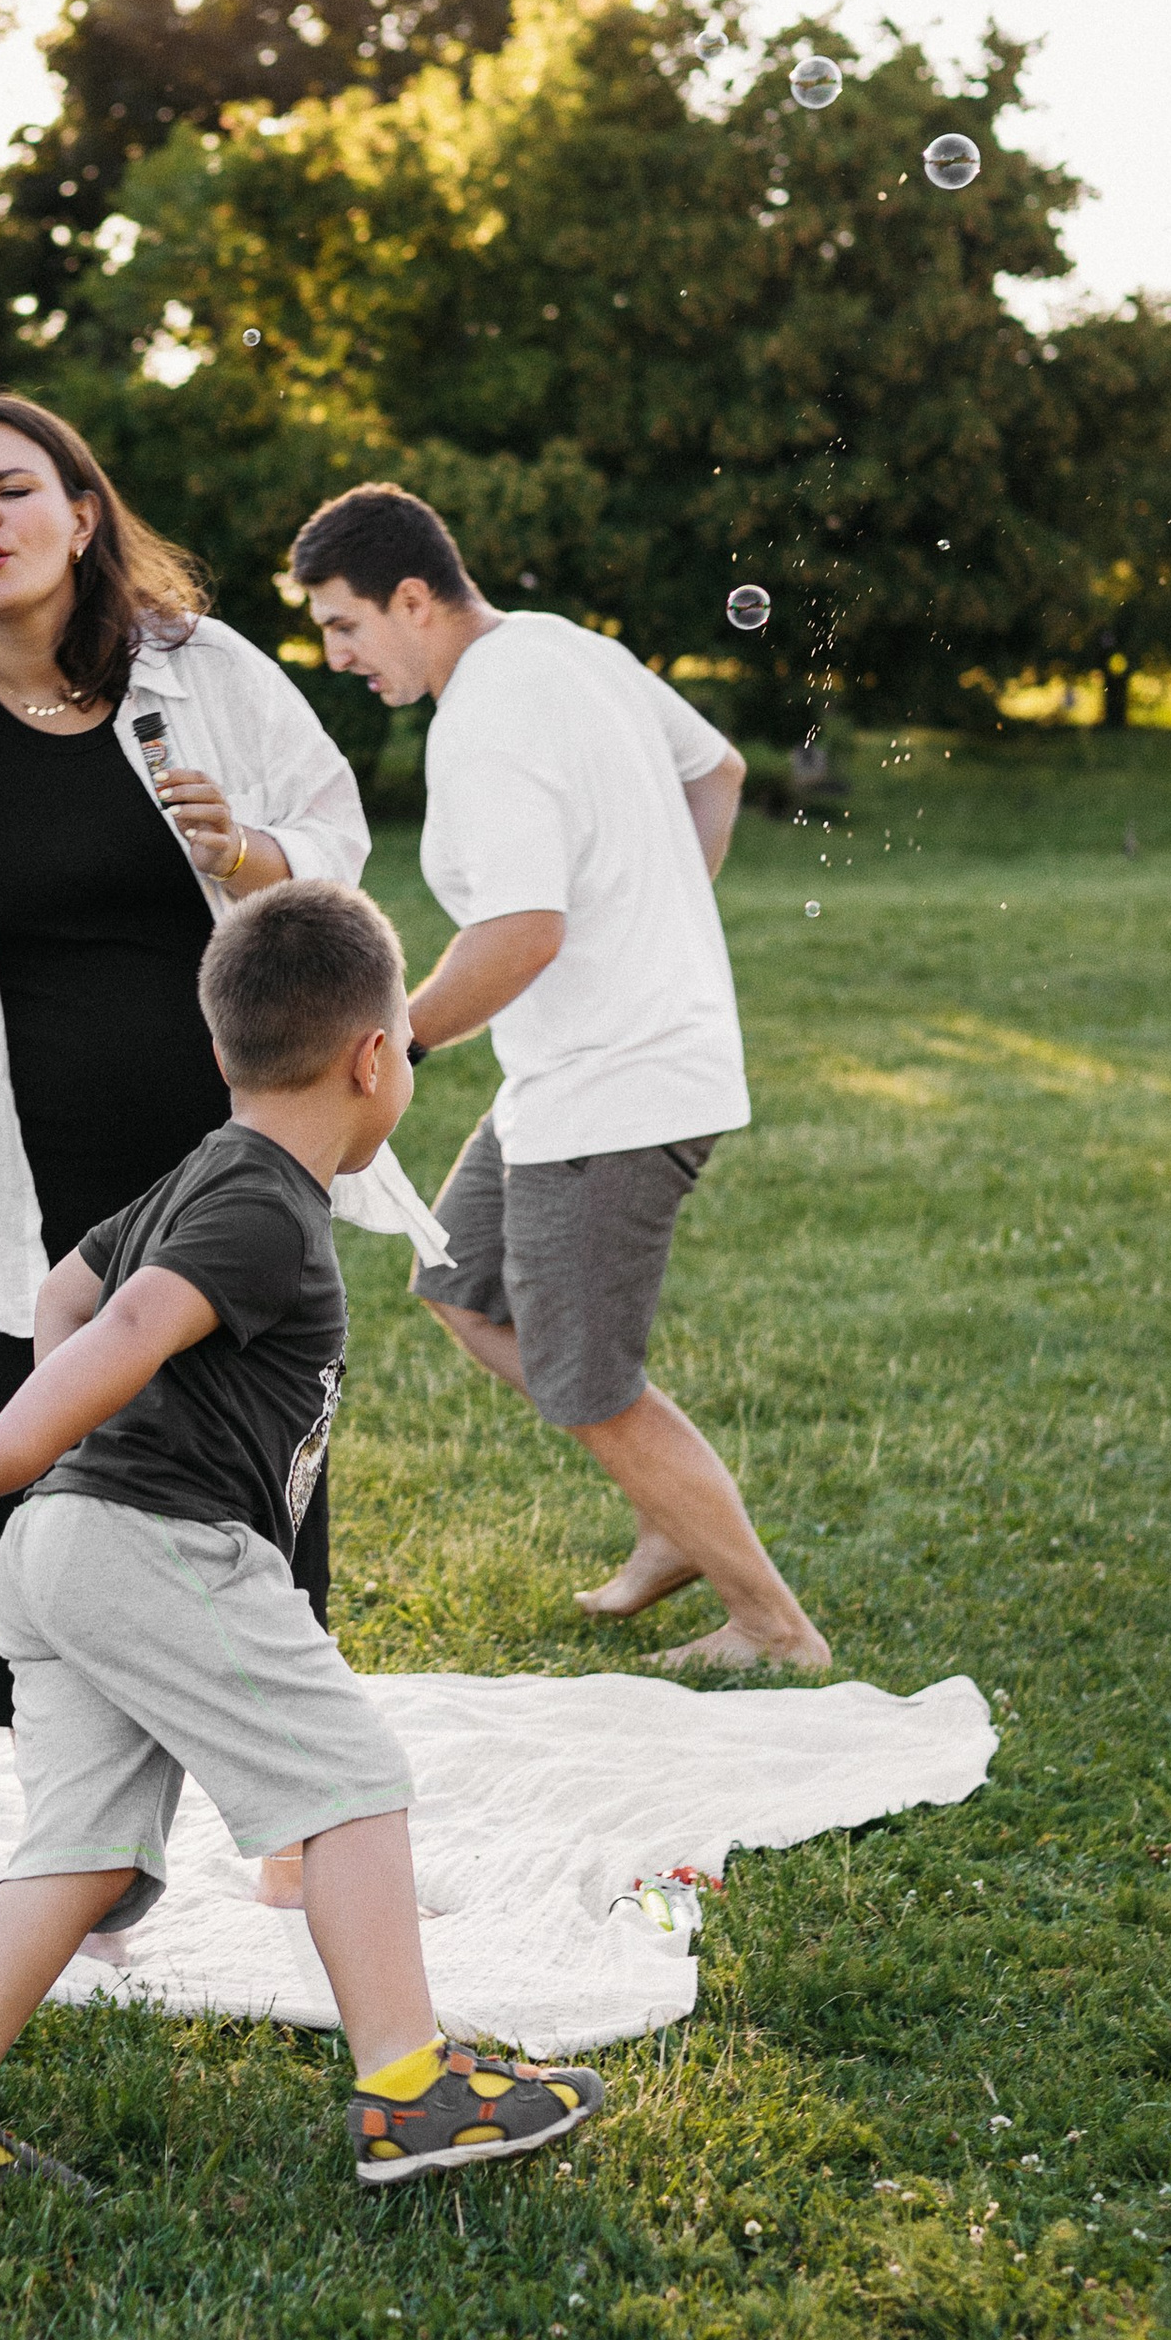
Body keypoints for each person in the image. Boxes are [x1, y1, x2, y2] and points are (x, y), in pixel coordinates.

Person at [0, 877, 607, 2193]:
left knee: (78, 1854)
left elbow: (68, 1292)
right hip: (157, 1546)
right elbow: (125, 1328)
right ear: (376, 1059)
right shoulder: (261, 1206)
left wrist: (64, 1464)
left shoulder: (203, 1172)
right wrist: (14, 1446)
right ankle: (409, 2087)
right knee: (351, 1779)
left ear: (220, 1052)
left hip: (69, 1546)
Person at [0, 393, 372, 1728]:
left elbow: (337, 835)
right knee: (42, 1490)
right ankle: (72, 1813)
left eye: (11, 487)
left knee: (249, 1456)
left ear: (82, 513)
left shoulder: (202, 666)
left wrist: (252, 857)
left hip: (222, 1151)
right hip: (27, 1160)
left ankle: (287, 1790)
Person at [289, 484, 828, 1676]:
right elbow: (720, 769)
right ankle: (669, 1519)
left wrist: (394, 1048)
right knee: (457, 1278)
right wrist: (660, 913)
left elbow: (519, 934)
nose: (336, 656)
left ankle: (772, 1627)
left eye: (343, 625)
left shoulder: (486, 719)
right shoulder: (563, 645)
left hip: (617, 1088)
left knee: (588, 1383)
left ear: (414, 598)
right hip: (581, 1071)